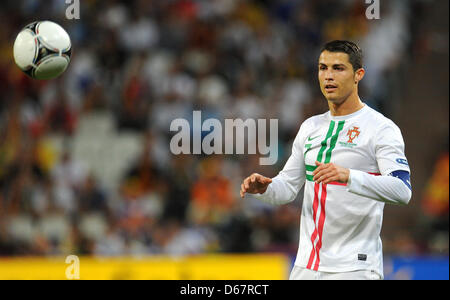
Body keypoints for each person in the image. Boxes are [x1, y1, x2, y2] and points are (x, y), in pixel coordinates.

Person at [240, 40, 412, 280]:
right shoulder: (310, 127)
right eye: (323, 68)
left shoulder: (381, 129)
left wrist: (349, 175)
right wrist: (265, 188)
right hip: (306, 266)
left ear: (358, 75)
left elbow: (402, 190)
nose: (328, 76)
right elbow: (288, 187)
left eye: (338, 68)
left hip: (355, 267)